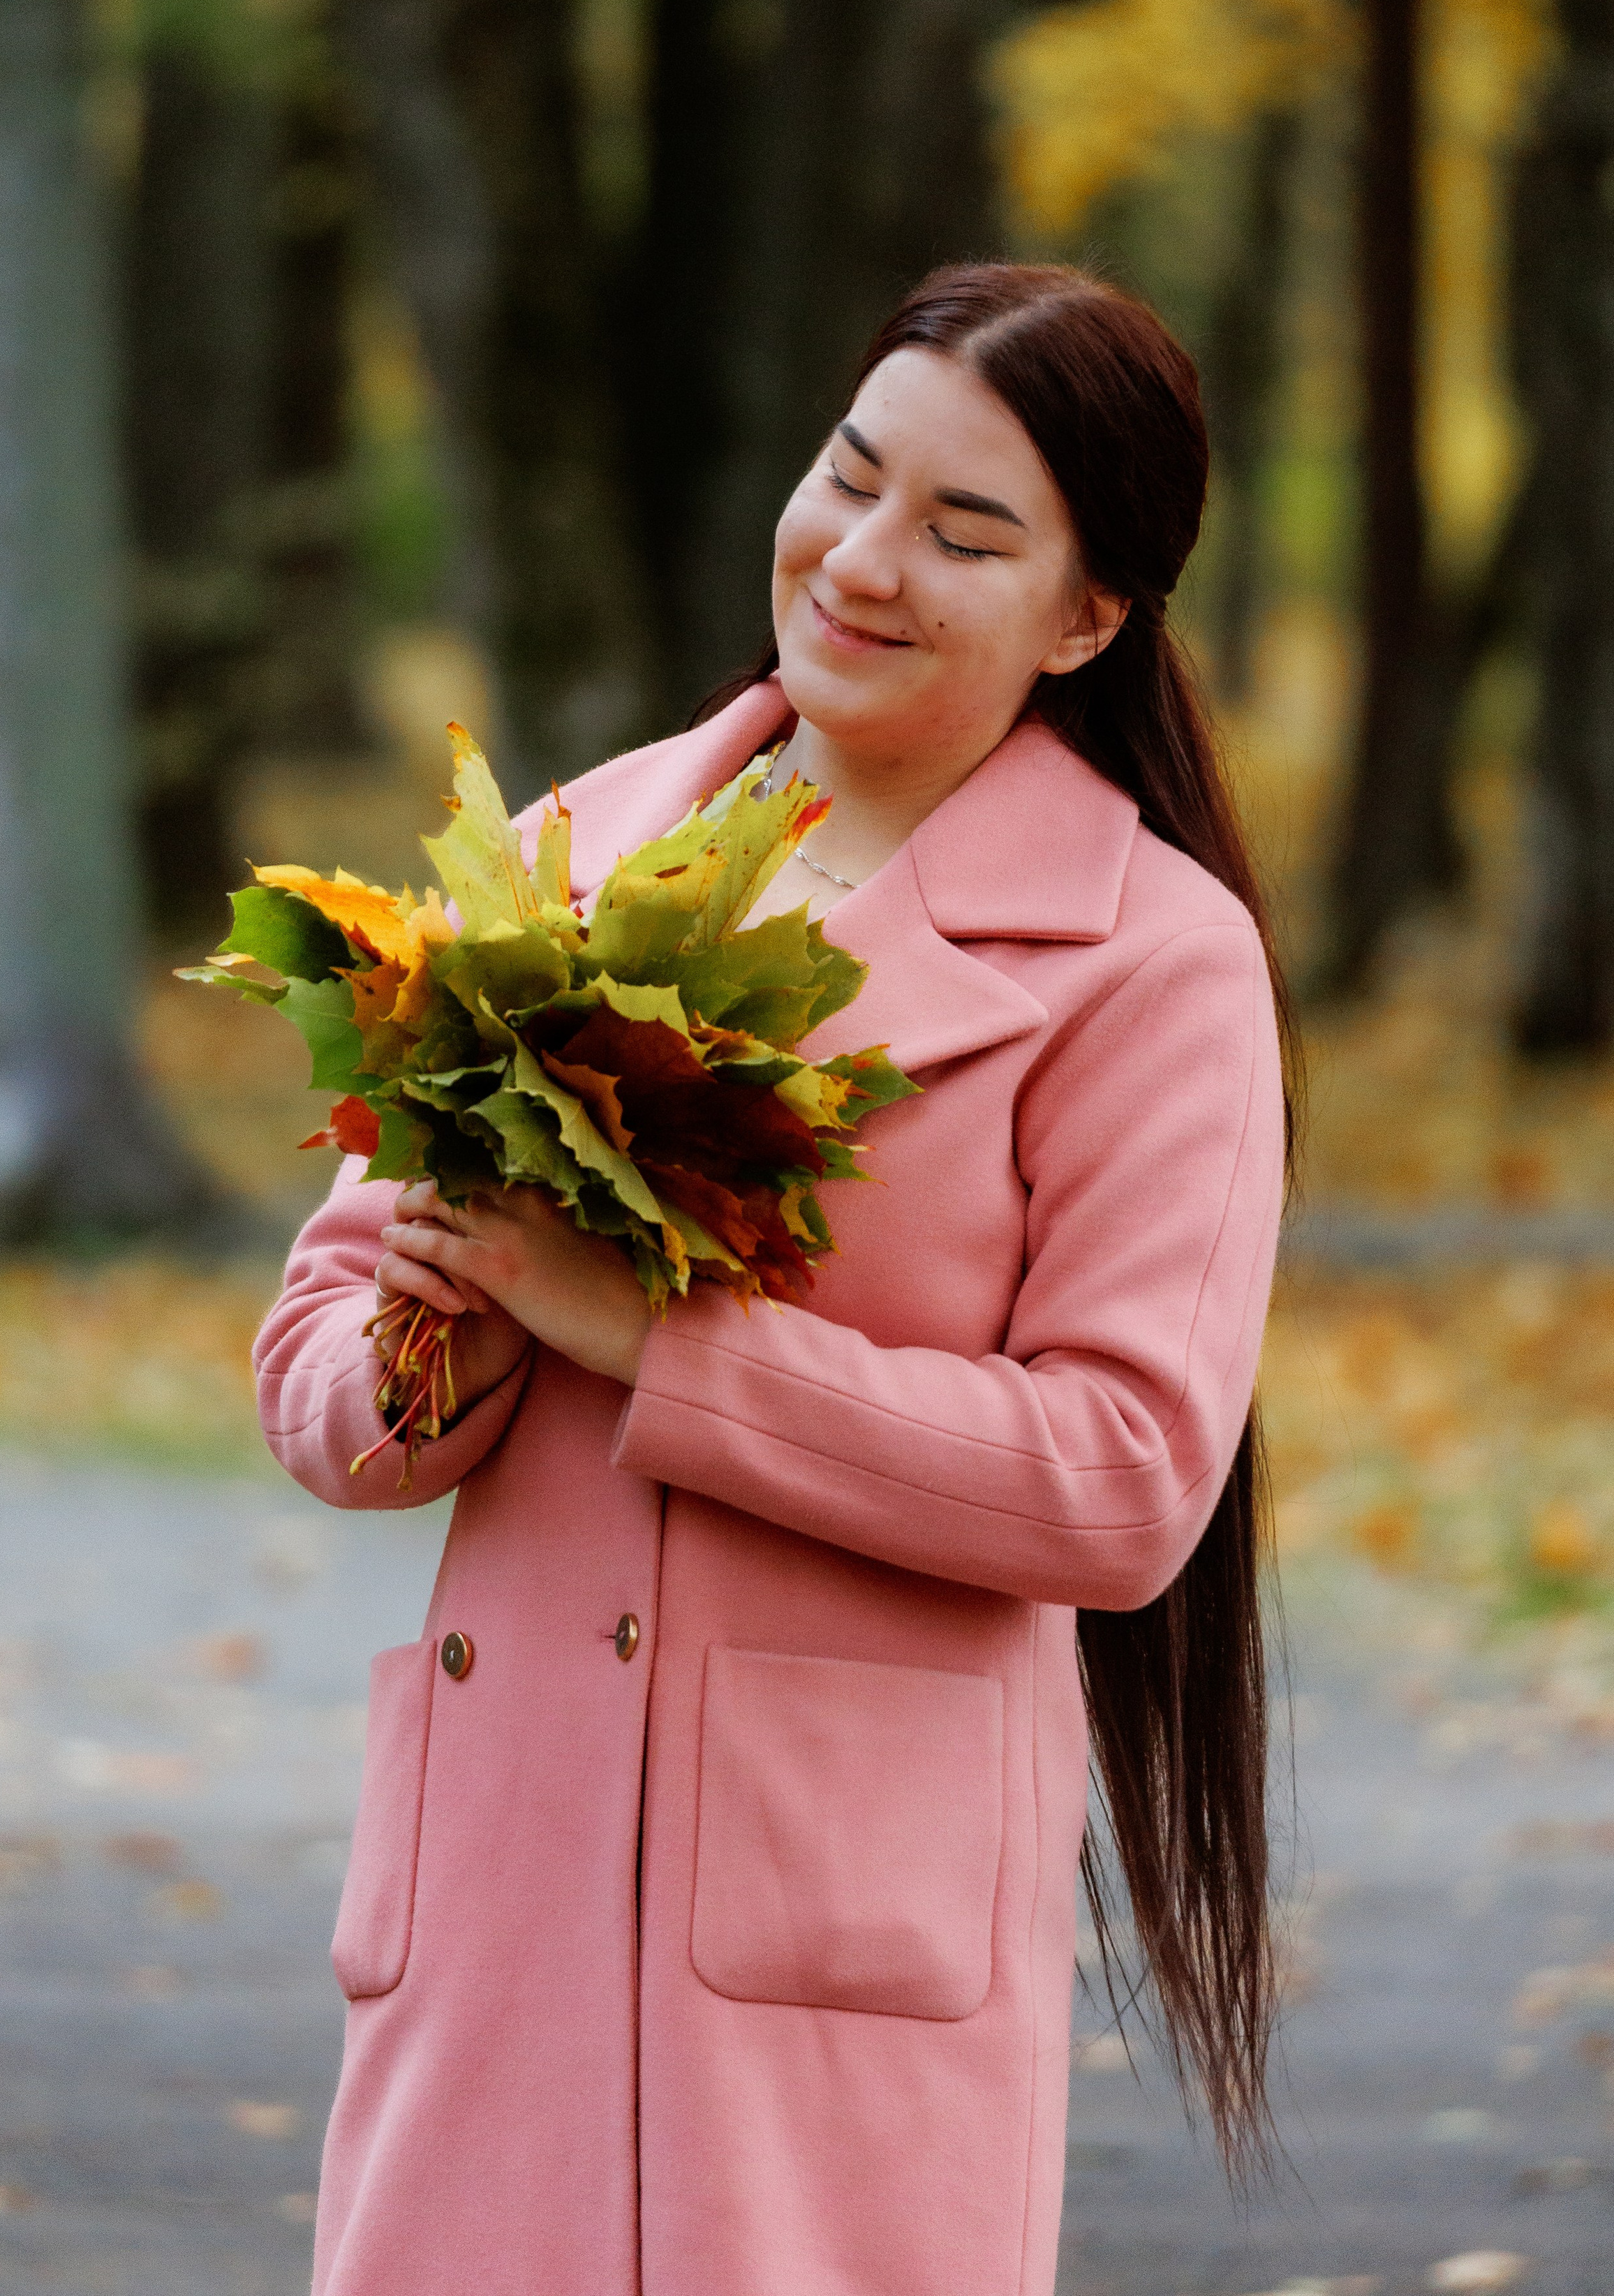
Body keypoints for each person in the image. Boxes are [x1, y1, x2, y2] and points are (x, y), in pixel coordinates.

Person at [255, 262, 1293, 2296]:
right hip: (497, 1895)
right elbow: (319, 1370)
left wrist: (663, 1342)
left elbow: (1122, 1479)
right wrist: (442, 1331)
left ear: (1091, 616)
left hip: (838, 1942)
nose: (867, 559)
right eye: (854, 475)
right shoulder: (567, 853)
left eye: (968, 532)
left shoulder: (1151, 966)